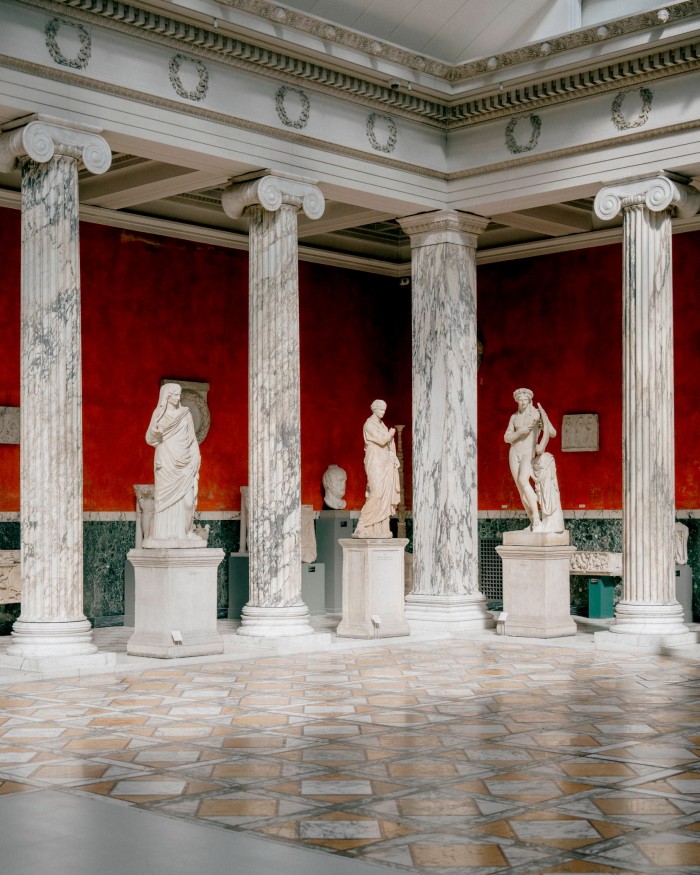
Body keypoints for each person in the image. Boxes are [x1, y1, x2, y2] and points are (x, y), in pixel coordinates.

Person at [144, 383, 203, 544]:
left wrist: (196, 456)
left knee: (188, 502)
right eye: (175, 395)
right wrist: (155, 433)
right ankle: (163, 536)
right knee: (164, 501)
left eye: (179, 395)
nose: (178, 398)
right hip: (166, 461)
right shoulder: (159, 414)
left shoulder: (185, 414)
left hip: (185, 463)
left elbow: (192, 440)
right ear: (166, 397)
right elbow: (149, 439)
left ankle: (187, 532)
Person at [504, 388, 558, 532]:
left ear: (529, 400)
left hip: (529, 451)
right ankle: (532, 521)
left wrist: (543, 423)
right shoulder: (514, 417)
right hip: (514, 452)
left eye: (524, 400)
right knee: (521, 489)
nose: (522, 402)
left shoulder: (536, 413)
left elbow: (552, 433)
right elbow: (506, 437)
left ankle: (536, 518)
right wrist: (519, 432)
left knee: (523, 481)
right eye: (520, 400)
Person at [353, 400, 400, 538]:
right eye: (381, 410)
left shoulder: (382, 425)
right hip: (375, 461)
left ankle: (380, 529)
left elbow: (388, 446)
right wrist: (391, 434)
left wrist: (393, 457)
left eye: (385, 410)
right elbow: (381, 440)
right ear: (374, 409)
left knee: (385, 494)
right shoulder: (369, 424)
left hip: (385, 462)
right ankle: (361, 525)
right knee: (377, 492)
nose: (383, 413)